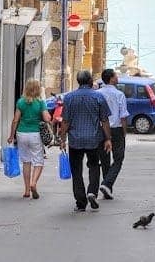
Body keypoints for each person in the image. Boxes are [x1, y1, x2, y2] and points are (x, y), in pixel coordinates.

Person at [60, 70, 112, 212]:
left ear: (78, 81)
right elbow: (105, 120)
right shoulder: (98, 97)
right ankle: (92, 192)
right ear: (90, 81)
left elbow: (65, 121)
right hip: (94, 139)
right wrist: (108, 139)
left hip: (75, 140)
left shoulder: (69, 98)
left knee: (76, 171)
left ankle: (81, 203)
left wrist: (62, 139)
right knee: (94, 166)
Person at [7, 78, 52, 199]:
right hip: (35, 134)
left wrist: (11, 135)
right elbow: (47, 119)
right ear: (38, 89)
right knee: (38, 161)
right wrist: (46, 113)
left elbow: (15, 120)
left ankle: (27, 190)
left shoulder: (21, 102)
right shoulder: (41, 102)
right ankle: (33, 183)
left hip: (21, 134)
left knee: (26, 162)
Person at [95, 68, 129, 199]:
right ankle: (107, 183)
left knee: (104, 158)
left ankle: (107, 188)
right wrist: (124, 132)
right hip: (116, 128)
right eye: (116, 75)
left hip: (101, 128)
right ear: (111, 78)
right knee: (118, 158)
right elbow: (123, 116)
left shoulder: (97, 94)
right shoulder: (119, 94)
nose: (117, 77)